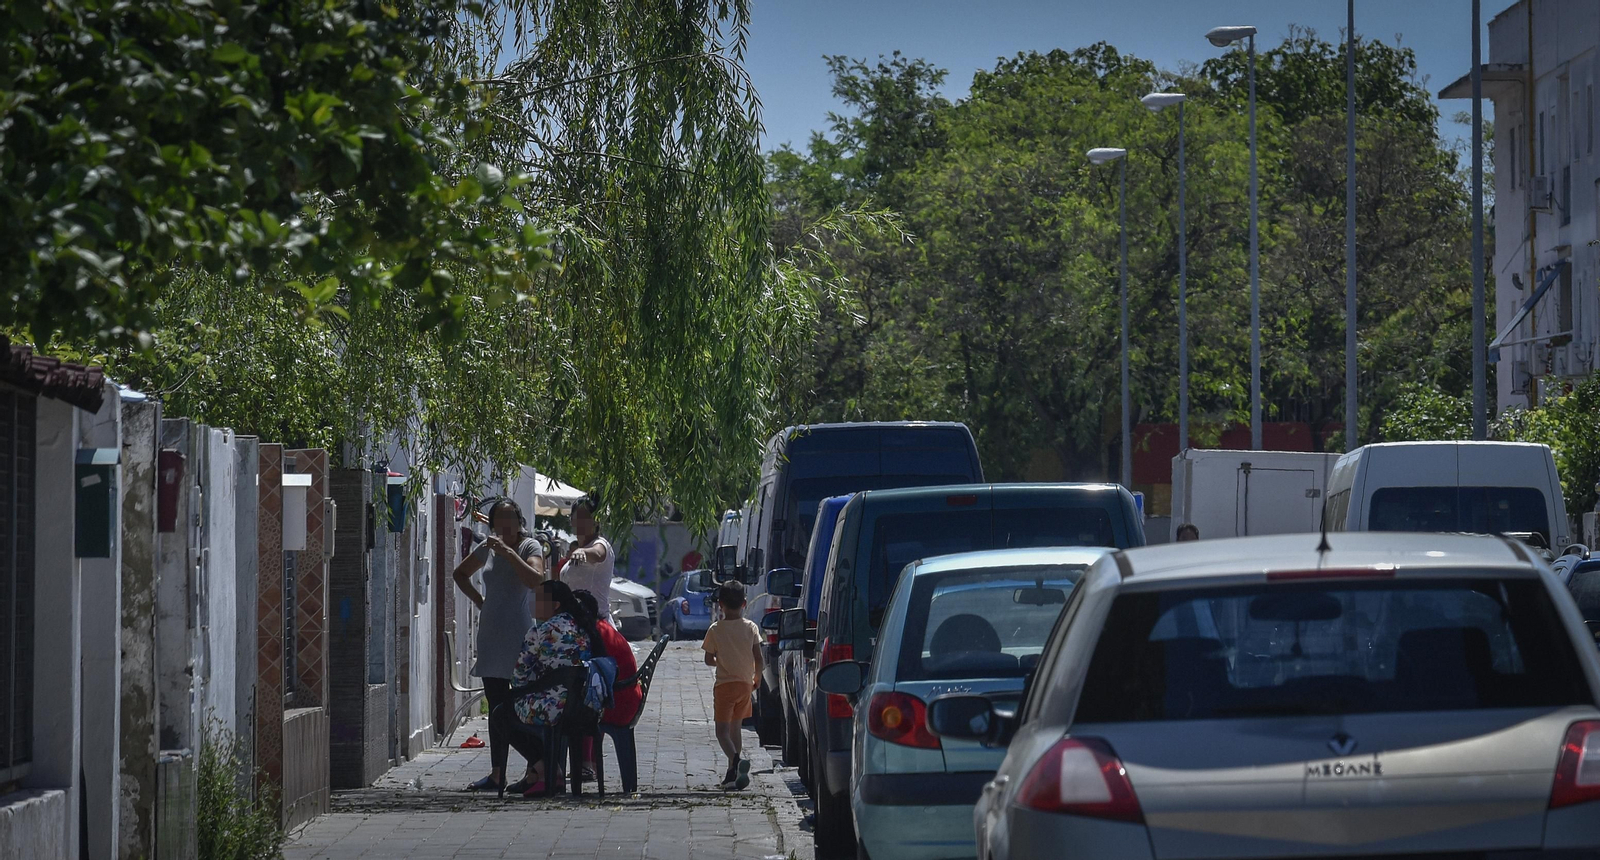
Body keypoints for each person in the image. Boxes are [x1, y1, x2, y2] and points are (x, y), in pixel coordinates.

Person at [452, 498, 547, 792]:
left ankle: (540, 763)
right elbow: (459, 574)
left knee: (516, 707)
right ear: (492, 524)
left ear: (520, 522)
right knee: (495, 706)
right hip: (491, 635)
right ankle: (497, 773)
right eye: (499, 520)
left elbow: (536, 579)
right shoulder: (486, 548)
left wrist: (508, 553)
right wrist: (480, 601)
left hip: (518, 636)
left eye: (510, 519)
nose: (505, 525)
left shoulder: (529, 547)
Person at [487, 580, 606, 796]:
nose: (533, 602)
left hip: (553, 707)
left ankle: (546, 769)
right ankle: (543, 772)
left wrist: (529, 686)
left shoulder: (540, 631)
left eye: (539, 599)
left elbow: (520, 676)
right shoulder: (584, 627)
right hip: (585, 706)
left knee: (500, 714)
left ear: (555, 605)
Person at [702, 581, 761, 790]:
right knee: (736, 729)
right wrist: (757, 677)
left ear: (720, 605)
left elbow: (708, 659)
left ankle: (735, 761)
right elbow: (759, 657)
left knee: (722, 732)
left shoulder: (715, 630)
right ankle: (733, 775)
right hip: (745, 685)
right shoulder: (751, 628)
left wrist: (721, 661)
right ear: (744, 603)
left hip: (725, 687)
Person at [561, 496, 616, 626]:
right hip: (575, 624)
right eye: (577, 518)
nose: (581, 523)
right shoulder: (577, 550)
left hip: (597, 625)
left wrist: (583, 551)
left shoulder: (601, 544)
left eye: (586, 518)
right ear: (571, 521)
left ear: (596, 521)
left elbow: (598, 554)